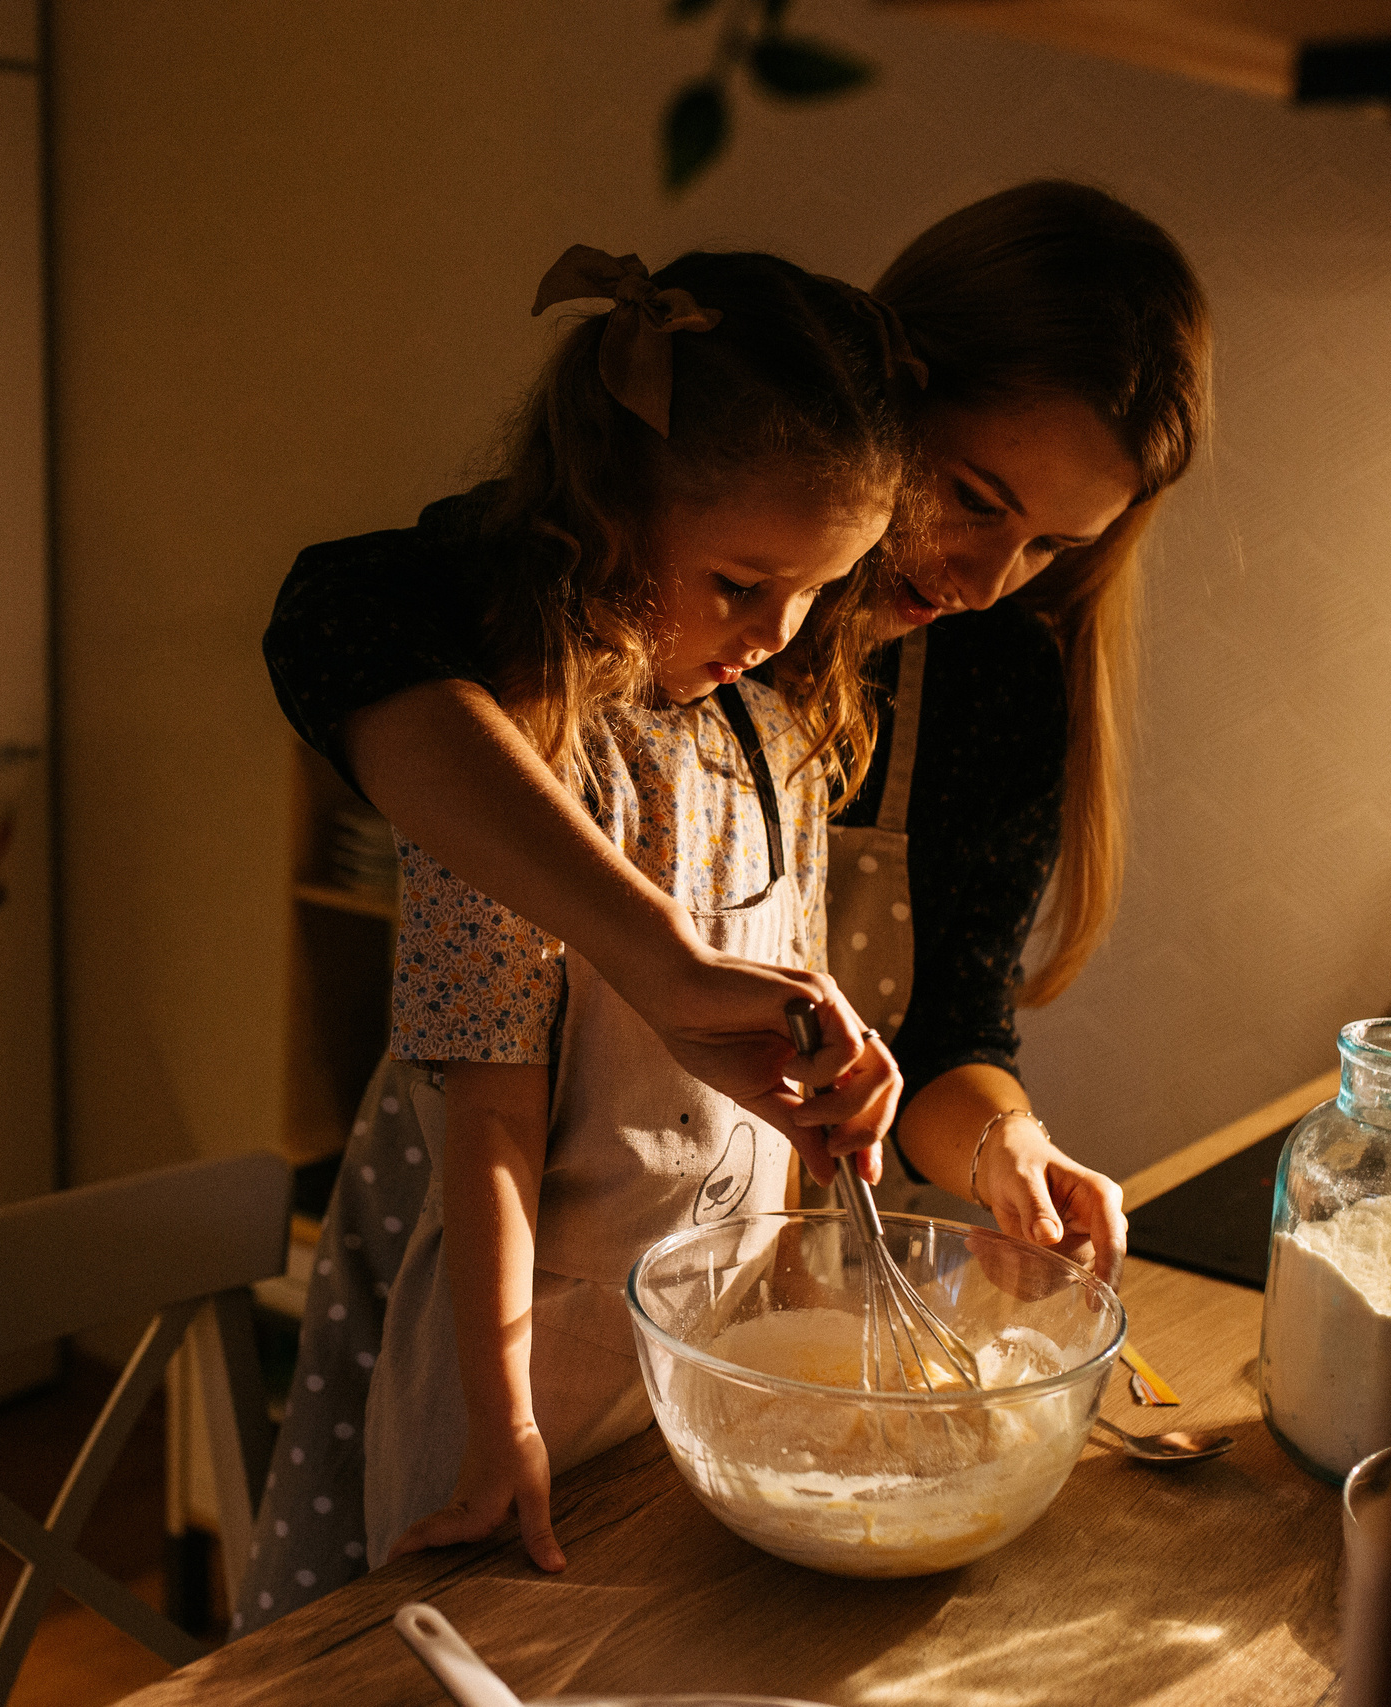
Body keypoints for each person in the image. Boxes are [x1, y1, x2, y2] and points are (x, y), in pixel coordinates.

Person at [263, 180, 1213, 1283]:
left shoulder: (995, 682)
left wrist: (1010, 1146)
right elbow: (335, 626)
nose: (988, 583)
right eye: (974, 498)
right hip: (490, 1263)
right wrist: (659, 960)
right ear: (884, 398)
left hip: (722, 1274)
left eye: (1052, 546)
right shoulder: (611, 576)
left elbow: (949, 1038)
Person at [237, 243, 916, 1630]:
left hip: (695, 1373)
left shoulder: (774, 739)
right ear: (617, 506)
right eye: (737, 582)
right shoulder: (517, 760)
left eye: (810, 592)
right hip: (523, 1388)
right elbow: (486, 1119)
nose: (776, 630)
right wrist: (499, 1427)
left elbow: (766, 1058)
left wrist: (830, 1112)